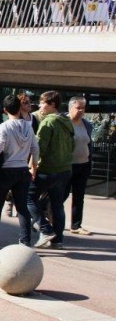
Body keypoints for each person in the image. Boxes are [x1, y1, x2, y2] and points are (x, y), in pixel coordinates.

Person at [0, 95, 39, 248]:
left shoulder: (4, 126)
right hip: (23, 170)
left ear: (4, 110)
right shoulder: (28, 126)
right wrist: (33, 165)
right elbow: (35, 148)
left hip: (6, 171)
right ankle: (25, 242)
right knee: (22, 207)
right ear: (19, 108)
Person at [28, 91, 75, 249]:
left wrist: (33, 167)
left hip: (49, 169)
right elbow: (72, 146)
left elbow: (39, 148)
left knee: (28, 198)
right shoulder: (66, 121)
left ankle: (45, 229)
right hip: (65, 169)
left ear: (52, 104)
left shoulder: (48, 122)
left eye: (43, 103)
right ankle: (58, 240)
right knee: (57, 205)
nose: (40, 106)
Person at [64, 96, 93, 236]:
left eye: (83, 108)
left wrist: (89, 162)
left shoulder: (87, 124)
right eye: (78, 108)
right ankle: (46, 217)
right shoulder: (63, 122)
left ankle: (76, 225)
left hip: (83, 165)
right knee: (61, 195)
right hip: (66, 166)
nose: (81, 111)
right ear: (70, 108)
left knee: (79, 196)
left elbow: (88, 143)